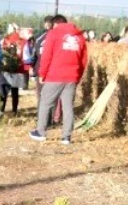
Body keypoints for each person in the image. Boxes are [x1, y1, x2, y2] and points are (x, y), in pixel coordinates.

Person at [29, 14, 87, 145]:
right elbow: (84, 60)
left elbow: (47, 56)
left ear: (55, 24)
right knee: (68, 106)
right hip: (72, 76)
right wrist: (78, 76)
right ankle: (66, 136)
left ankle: (40, 132)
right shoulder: (79, 37)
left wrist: (42, 74)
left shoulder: (54, 34)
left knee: (45, 102)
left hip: (55, 75)